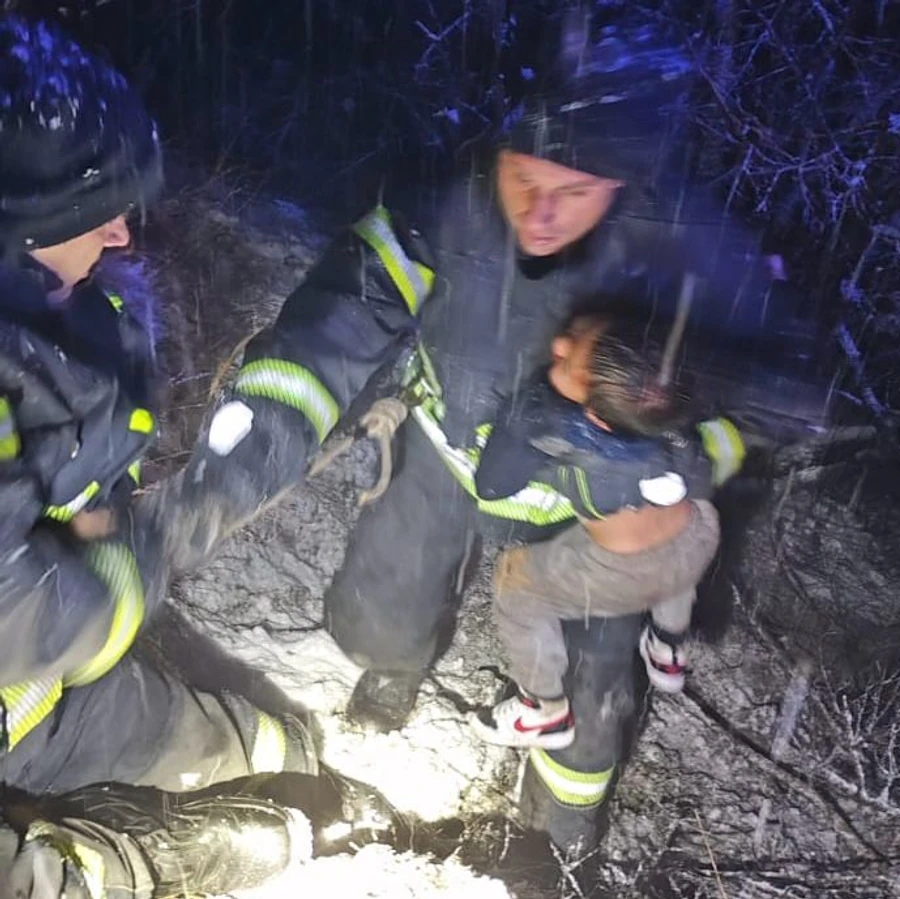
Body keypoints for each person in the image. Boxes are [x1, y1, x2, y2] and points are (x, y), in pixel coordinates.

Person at [243, 36, 809, 853]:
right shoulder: (444, 198)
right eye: (524, 179)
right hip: (448, 445)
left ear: (623, 186)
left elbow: (779, 393)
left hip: (588, 510)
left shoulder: (687, 258)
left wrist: (668, 459)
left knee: (593, 683)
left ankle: (563, 821)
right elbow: (352, 302)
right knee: (379, 611)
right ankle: (396, 667)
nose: (540, 212)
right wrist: (294, 413)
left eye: (573, 191)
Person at [0, 15, 397, 898]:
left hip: (41, 702)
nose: (120, 238)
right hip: (37, 695)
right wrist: (181, 857)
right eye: (85, 215)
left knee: (252, 748)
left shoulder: (66, 323)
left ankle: (296, 775)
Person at [468, 308, 737, 754]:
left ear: (595, 419)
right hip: (697, 539)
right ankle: (668, 647)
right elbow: (701, 475)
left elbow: (492, 485)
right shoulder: (669, 418)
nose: (558, 346)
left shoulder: (561, 433)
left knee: (514, 586)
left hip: (623, 575)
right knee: (680, 547)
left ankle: (544, 712)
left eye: (568, 361)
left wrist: (523, 417)